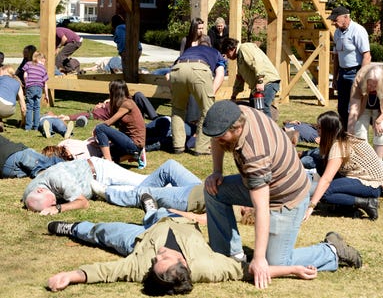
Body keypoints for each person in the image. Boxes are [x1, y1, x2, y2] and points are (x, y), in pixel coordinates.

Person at [202, 100, 362, 289]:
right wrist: (217, 172)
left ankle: (331, 250)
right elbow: (216, 135)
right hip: (261, 183)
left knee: (275, 264)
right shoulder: (235, 113)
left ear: (237, 128)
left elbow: (262, 207)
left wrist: (260, 259)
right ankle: (231, 255)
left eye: (221, 137)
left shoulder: (255, 154)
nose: (217, 141)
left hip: (286, 197)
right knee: (213, 189)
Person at [46, 202, 322, 295]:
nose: (158, 255)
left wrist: (71, 275)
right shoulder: (209, 268)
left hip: (142, 236)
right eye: (163, 257)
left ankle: (73, 227)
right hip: (177, 221)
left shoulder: (142, 266)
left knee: (105, 231)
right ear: (184, 263)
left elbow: (107, 271)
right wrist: (294, 269)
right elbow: (250, 270)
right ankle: (152, 208)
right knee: (159, 211)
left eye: (158, 259)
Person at [303, 110, 383, 221]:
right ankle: (345, 205)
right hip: (358, 177)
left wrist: (311, 206)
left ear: (328, 130)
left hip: (371, 185)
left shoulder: (338, 146)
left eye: (319, 128)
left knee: (324, 192)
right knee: (321, 164)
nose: (317, 131)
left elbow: (326, 180)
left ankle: (367, 202)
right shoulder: (342, 138)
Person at [22, 156, 147, 214]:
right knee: (138, 193)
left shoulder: (59, 179)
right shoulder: (29, 193)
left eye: (53, 201)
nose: (56, 202)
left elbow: (83, 203)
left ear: (40, 190)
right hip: (96, 186)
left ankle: (166, 174)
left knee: (143, 182)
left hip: (100, 171)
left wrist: (58, 208)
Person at [91, 159, 205, 215]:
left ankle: (108, 193)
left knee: (146, 193)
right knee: (170, 166)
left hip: (192, 199)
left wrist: (190, 216)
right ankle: (134, 195)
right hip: (200, 187)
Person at [169, 43, 225, 155]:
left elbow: (168, 74)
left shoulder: (188, 51)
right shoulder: (216, 53)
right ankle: (202, 148)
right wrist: (211, 93)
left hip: (177, 70)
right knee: (207, 110)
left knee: (177, 110)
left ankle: (178, 146)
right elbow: (220, 74)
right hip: (199, 69)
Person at [328, 6, 371, 128]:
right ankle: (346, 134)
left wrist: (361, 78)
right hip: (342, 73)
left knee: (353, 108)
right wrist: (335, 78)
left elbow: (367, 56)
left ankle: (355, 135)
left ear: (346, 17)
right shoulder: (336, 33)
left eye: (335, 20)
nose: (333, 23)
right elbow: (336, 56)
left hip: (356, 72)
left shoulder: (358, 31)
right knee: (341, 108)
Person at [221, 37, 281, 118]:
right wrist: (233, 96)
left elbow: (257, 61)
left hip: (267, 82)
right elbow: (240, 78)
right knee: (253, 109)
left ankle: (268, 129)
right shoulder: (239, 58)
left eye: (226, 54)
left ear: (230, 48)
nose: (227, 57)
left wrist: (260, 80)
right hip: (258, 86)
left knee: (262, 109)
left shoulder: (245, 48)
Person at [93, 79, 146, 168]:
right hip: (129, 141)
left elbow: (109, 122)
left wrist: (96, 128)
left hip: (134, 143)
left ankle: (108, 162)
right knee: (101, 152)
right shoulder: (123, 102)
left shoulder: (127, 104)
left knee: (100, 128)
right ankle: (133, 155)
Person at [347, 63, 383, 158]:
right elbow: (354, 108)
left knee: (381, 132)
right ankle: (364, 160)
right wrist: (350, 131)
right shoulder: (359, 80)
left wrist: (379, 120)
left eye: (374, 86)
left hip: (380, 108)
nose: (371, 88)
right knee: (359, 131)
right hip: (363, 106)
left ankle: (379, 162)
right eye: (369, 84)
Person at [23, 51, 49, 131]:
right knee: (37, 107)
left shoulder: (28, 64)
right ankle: (36, 126)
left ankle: (28, 126)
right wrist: (47, 95)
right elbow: (45, 83)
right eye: (43, 62)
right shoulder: (43, 68)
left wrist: (26, 84)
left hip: (30, 87)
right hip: (39, 88)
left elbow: (25, 76)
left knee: (29, 107)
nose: (43, 64)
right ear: (39, 59)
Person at [0, 65, 26, 130]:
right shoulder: (18, 84)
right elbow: (23, 106)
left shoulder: (1, 78)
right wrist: (23, 121)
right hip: (10, 110)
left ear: (5, 71)